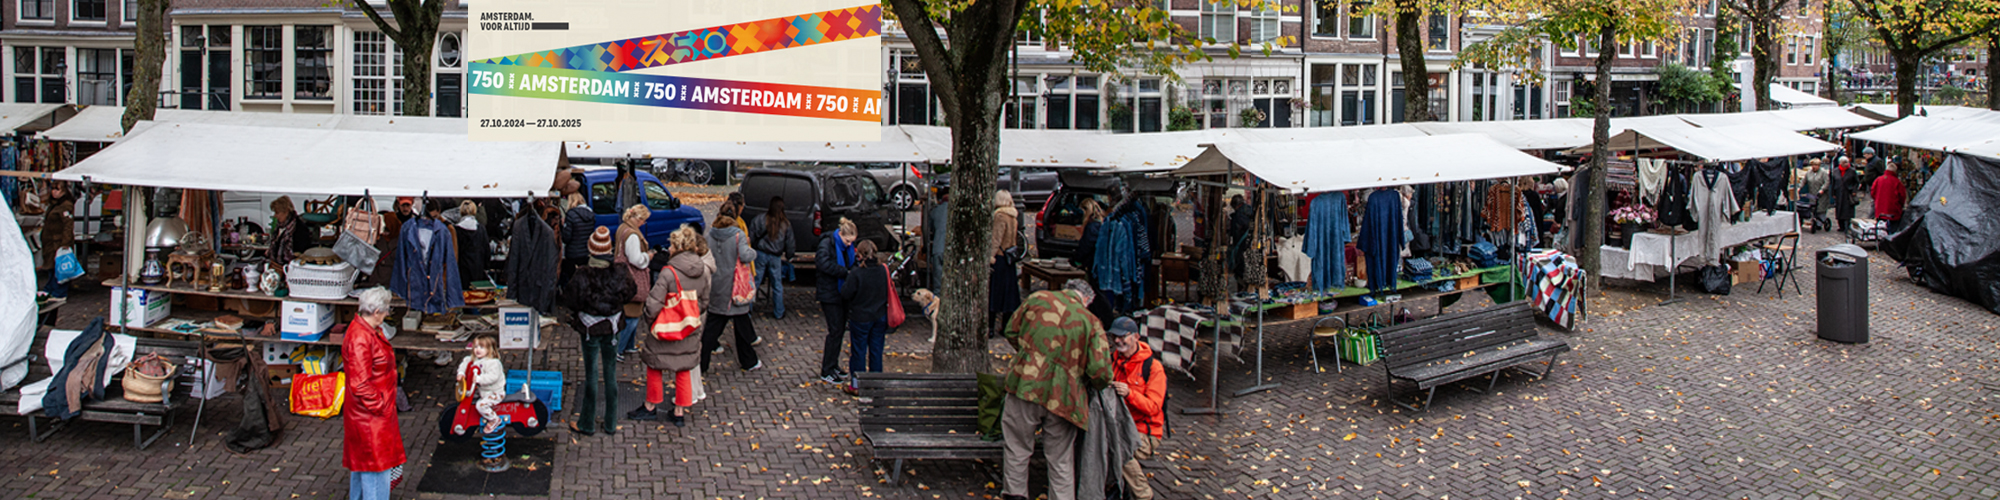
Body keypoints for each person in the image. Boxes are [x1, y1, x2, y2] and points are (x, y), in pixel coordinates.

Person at [1000, 280, 1115, 500]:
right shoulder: (1091, 322)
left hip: (1025, 385)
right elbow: (1101, 372)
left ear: (1066, 289)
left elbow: (1011, 331)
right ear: (1087, 300)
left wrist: (1029, 358)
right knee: (1060, 458)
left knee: (1017, 447)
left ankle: (1015, 495)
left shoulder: (1037, 299)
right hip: (1065, 397)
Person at [630, 225, 711, 427]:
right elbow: (704, 301)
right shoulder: (702, 271)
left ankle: (650, 406)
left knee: (655, 366)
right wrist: (689, 316)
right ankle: (679, 411)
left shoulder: (668, 273)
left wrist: (654, 322)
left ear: (676, 247)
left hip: (665, 328)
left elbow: (653, 304)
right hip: (689, 328)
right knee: (683, 368)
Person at [560, 228, 634, 436]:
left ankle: (587, 422)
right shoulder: (620, 272)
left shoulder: (582, 274)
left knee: (591, 374)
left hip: (590, 329)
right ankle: (611, 422)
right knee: (611, 373)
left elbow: (569, 299)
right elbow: (631, 292)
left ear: (591, 249)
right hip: (612, 328)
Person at [343, 287, 405, 500]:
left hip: (366, 412)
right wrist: (380, 405)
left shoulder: (364, 331)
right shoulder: (362, 338)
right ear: (377, 310)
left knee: (363, 466)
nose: (388, 313)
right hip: (371, 415)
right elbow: (360, 383)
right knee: (376, 468)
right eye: (386, 310)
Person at [1108, 317, 1167, 500]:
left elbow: (1153, 407)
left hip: (1145, 432)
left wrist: (1129, 394)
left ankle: (1144, 495)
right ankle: (1116, 487)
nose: (1117, 341)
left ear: (1136, 337)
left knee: (1118, 445)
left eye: (1122, 336)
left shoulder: (1153, 368)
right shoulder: (1111, 361)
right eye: (1114, 336)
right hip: (1117, 425)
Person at [702, 205, 763, 372]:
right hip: (736, 286)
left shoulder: (711, 234)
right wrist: (752, 251)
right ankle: (748, 361)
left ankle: (702, 362)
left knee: (712, 326)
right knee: (742, 325)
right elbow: (745, 255)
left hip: (717, 284)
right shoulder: (738, 235)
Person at [839, 240, 890, 394]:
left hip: (861, 317)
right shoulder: (882, 270)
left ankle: (856, 385)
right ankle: (876, 383)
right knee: (876, 350)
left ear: (860, 255)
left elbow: (846, 293)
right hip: (879, 315)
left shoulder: (857, 273)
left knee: (859, 351)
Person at [815, 218, 859, 384]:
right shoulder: (827, 243)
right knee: (835, 331)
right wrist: (844, 272)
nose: (849, 245)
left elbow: (852, 263)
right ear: (841, 235)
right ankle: (827, 369)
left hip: (841, 293)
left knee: (839, 331)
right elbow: (822, 263)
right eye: (848, 241)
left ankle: (833, 365)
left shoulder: (844, 248)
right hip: (830, 293)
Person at [614, 205, 653, 357]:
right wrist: (647, 257)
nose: (644, 223)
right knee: (633, 315)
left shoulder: (622, 228)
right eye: (643, 220)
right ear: (638, 218)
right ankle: (619, 349)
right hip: (632, 277)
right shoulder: (633, 235)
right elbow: (635, 259)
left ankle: (628, 345)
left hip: (622, 275)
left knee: (629, 312)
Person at [747, 196, 795, 320]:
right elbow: (790, 242)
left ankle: (747, 310)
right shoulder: (785, 223)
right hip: (776, 256)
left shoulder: (760, 219)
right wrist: (790, 256)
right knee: (777, 285)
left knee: (755, 283)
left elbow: (751, 236)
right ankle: (779, 311)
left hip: (760, 254)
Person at [456, 335, 506, 435]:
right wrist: (461, 373)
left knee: (480, 405)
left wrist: (479, 379)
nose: (477, 350)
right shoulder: (474, 359)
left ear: (489, 349)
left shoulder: (493, 363)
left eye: (482, 347)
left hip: (495, 392)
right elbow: (465, 363)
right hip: (484, 391)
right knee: (471, 398)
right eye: (476, 347)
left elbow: (493, 377)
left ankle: (494, 420)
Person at [989, 190, 1022, 336]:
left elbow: (996, 238)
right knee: (1009, 294)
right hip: (1010, 258)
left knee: (995, 293)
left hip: (1000, 258)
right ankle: (1006, 325)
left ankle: (990, 327)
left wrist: (991, 256)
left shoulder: (1000, 216)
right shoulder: (1013, 216)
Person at [38, 182, 75, 297]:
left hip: (57, 243)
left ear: (64, 191)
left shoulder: (65, 205)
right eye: (53, 189)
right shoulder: (54, 205)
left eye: (57, 190)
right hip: (50, 242)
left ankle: (58, 292)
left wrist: (65, 243)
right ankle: (50, 289)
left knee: (58, 268)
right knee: (51, 268)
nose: (54, 192)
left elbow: (68, 225)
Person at [559, 192, 596, 288]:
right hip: (586, 251)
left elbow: (566, 237)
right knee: (584, 278)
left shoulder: (571, 214)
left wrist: (563, 227)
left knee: (572, 279)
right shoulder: (590, 214)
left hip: (573, 253)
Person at [1824, 156, 1862, 233]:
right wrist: (1833, 193)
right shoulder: (1835, 171)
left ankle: (1847, 226)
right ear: (1840, 163)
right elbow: (1833, 182)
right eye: (1844, 162)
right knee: (1839, 209)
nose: (1846, 164)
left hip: (1848, 193)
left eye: (1847, 162)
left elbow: (1856, 182)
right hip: (1838, 193)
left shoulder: (1852, 171)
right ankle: (1841, 226)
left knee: (1848, 210)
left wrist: (1854, 190)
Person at [1871, 164, 1909, 234]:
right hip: (1893, 211)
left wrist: (1877, 201)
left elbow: (1873, 192)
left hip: (1880, 210)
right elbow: (1902, 197)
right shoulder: (1897, 182)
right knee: (1893, 230)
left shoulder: (1878, 180)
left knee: (1880, 229)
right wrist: (1900, 206)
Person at [1072, 198, 1105, 272]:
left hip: (1091, 262)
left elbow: (1086, 246)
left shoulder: (1091, 227)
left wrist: (1077, 258)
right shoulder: (1100, 224)